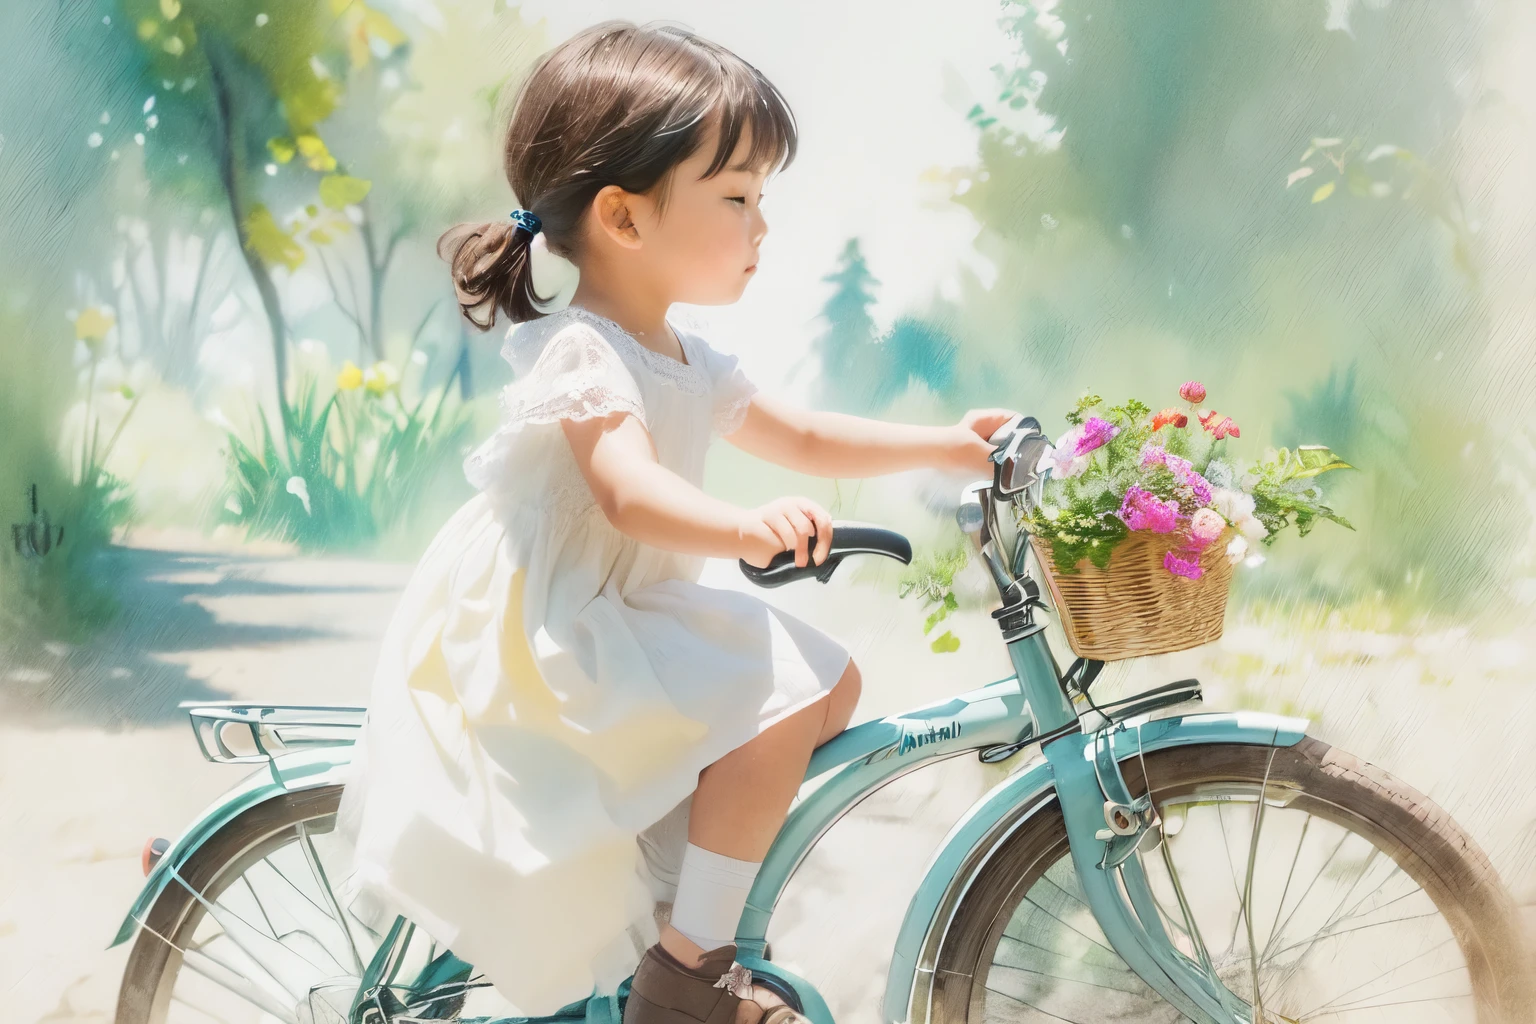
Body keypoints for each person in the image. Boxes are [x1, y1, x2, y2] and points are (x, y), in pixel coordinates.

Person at [332, 20, 1015, 1024]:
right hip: (552, 632)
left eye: (762, 200)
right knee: (792, 683)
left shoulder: (685, 356)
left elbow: (810, 435)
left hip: (619, 613)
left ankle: (678, 934)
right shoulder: (585, 353)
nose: (761, 227)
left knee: (822, 686)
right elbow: (627, 487)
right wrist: (743, 527)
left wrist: (945, 442)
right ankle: (687, 976)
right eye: (736, 198)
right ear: (623, 218)